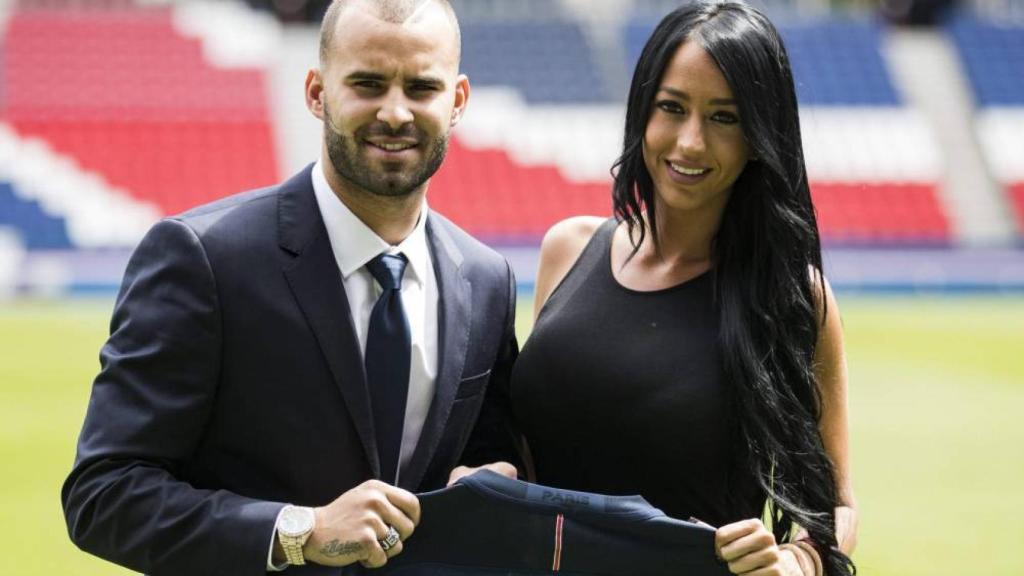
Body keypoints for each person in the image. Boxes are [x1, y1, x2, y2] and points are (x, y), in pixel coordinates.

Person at [61, 1, 520, 574]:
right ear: (316, 92)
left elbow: (486, 457)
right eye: (368, 84)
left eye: (422, 87)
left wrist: (492, 480)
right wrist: (298, 531)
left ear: (456, 102)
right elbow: (103, 495)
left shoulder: (486, 280)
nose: (397, 112)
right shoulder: (203, 258)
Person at [510, 1, 857, 575]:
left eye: (725, 117)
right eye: (672, 107)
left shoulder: (793, 299)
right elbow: (525, 448)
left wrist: (799, 563)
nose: (690, 143)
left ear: (760, 135)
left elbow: (837, 502)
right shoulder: (567, 249)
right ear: (642, 113)